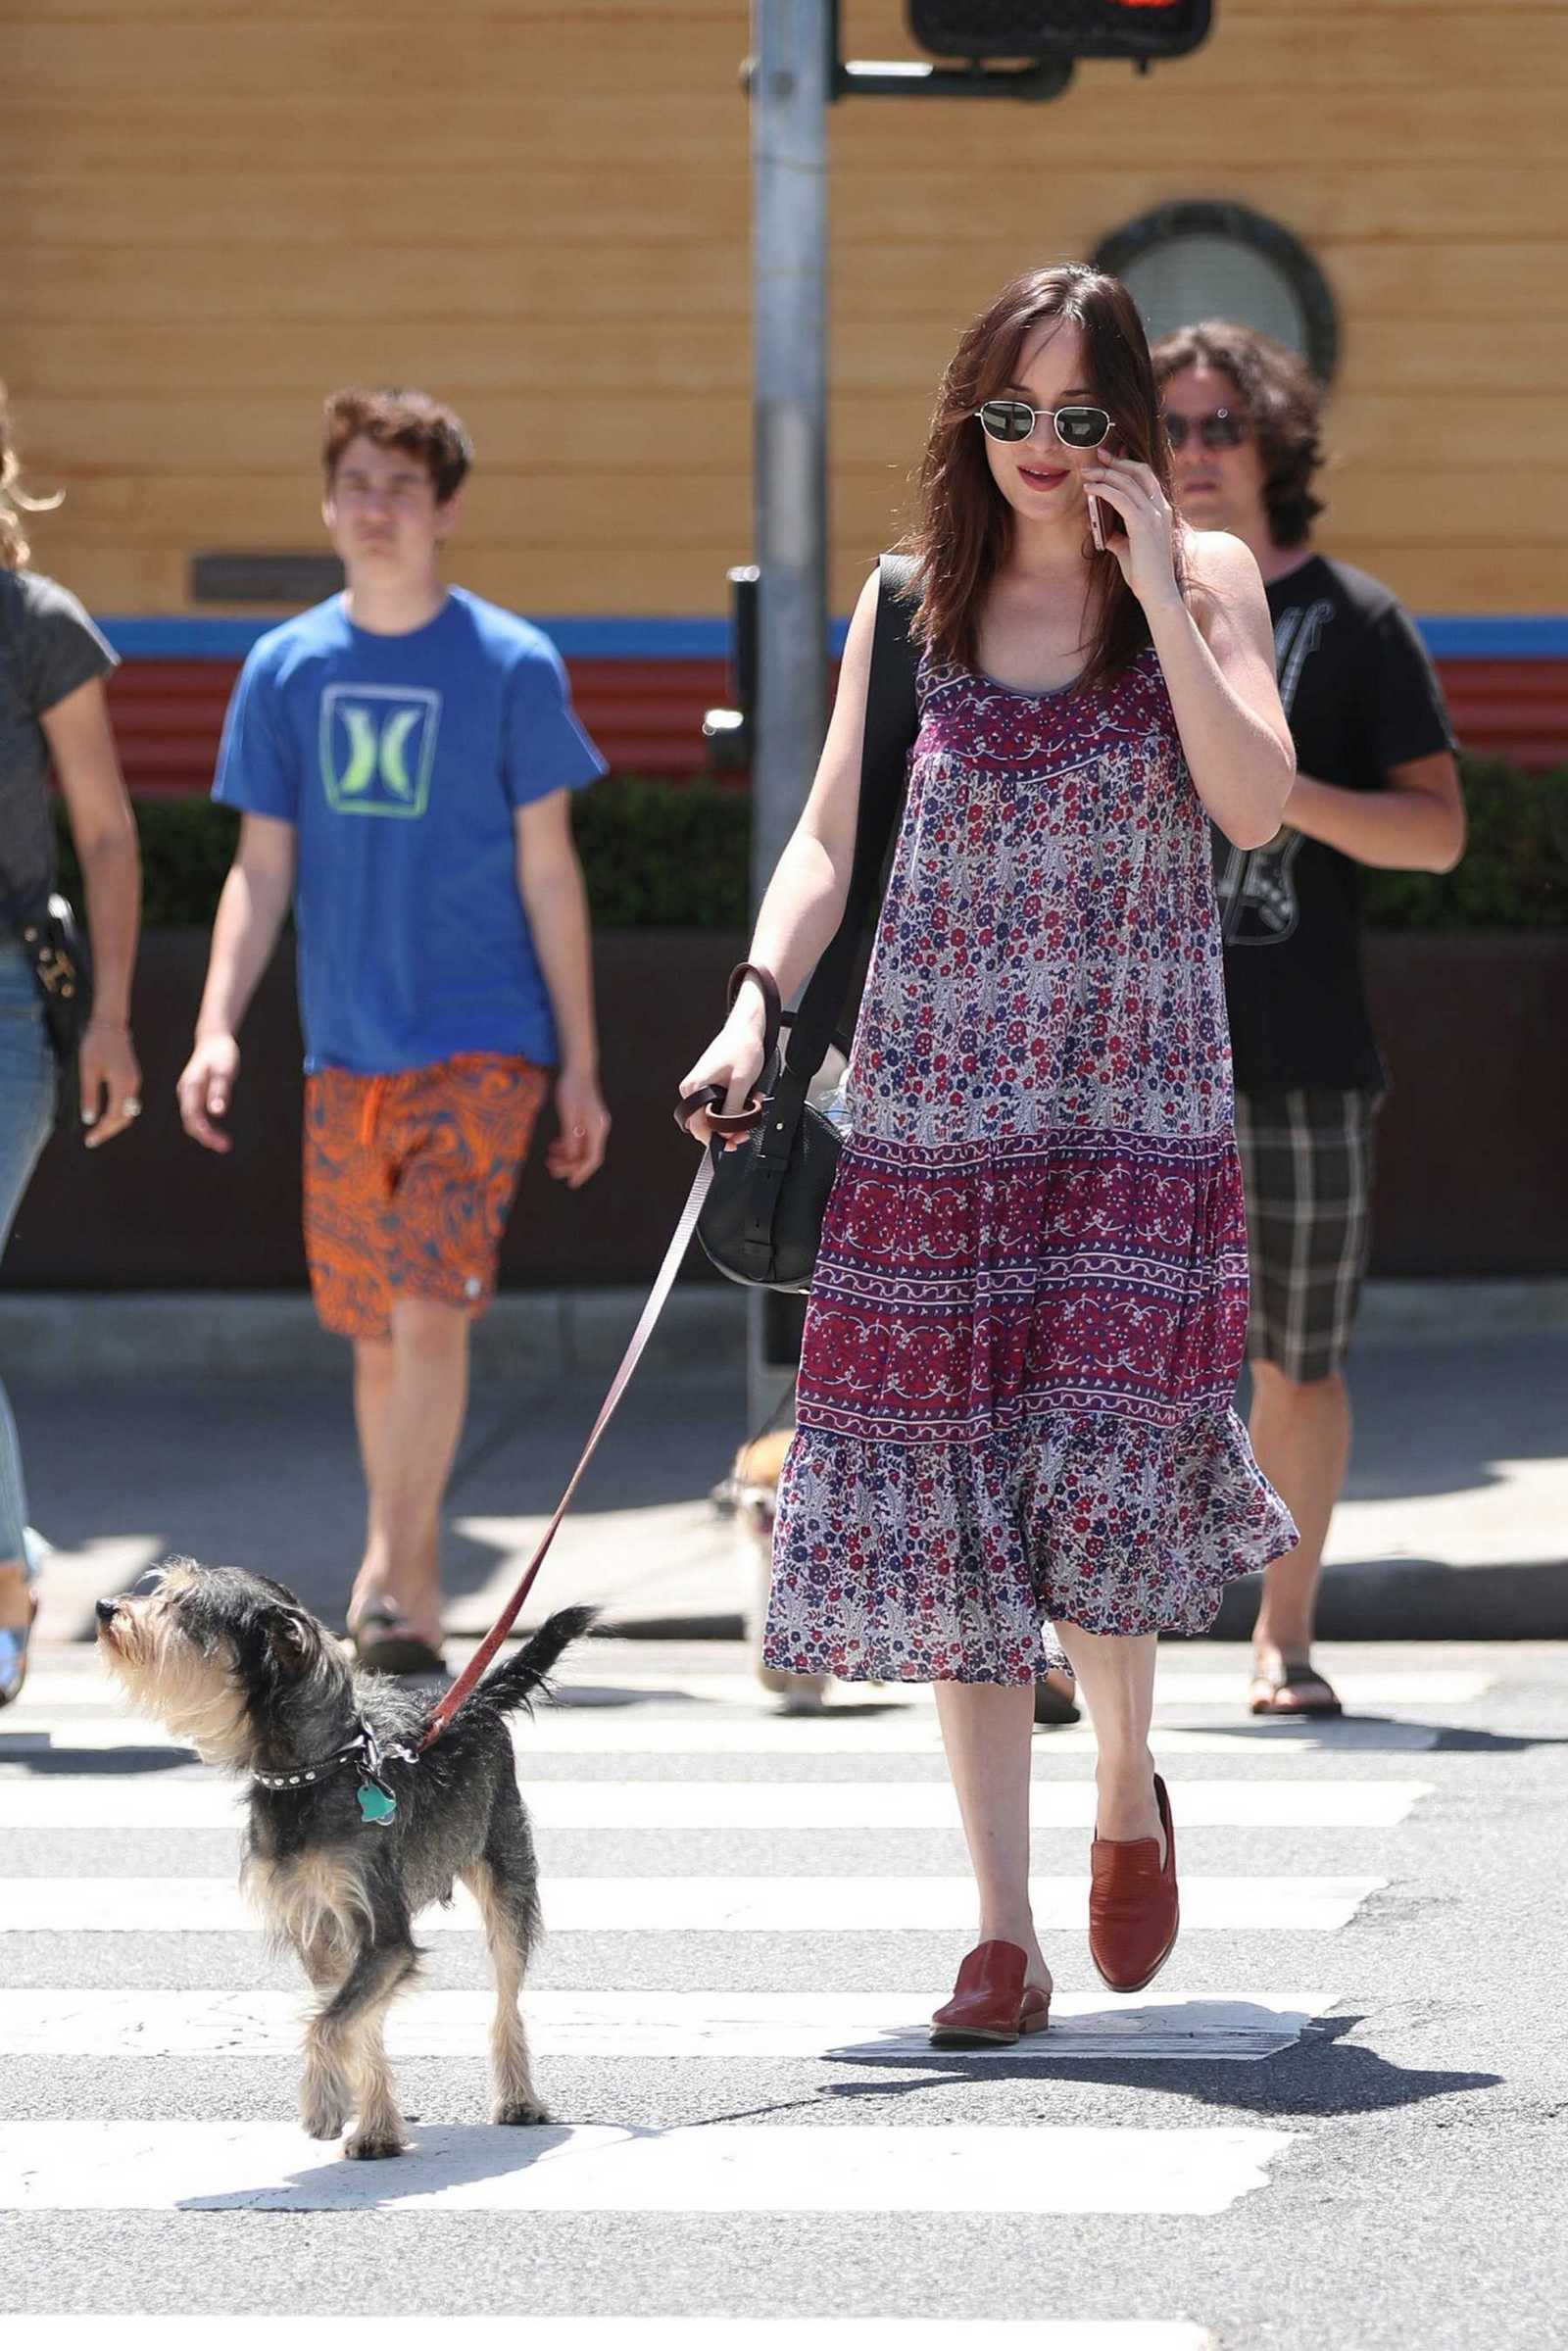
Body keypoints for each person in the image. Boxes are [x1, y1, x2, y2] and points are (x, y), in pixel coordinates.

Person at [679, 266, 1298, 2039]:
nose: (1041, 446)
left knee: (1100, 1474)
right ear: (970, 419)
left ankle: (1123, 1786)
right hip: (938, 1110)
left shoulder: (1207, 577)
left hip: (1130, 1105)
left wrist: (1157, 584)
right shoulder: (912, 603)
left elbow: (1254, 803)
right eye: (1010, 412)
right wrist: (753, 1007)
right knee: (954, 1500)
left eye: (1078, 415)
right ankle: (1003, 1933)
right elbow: (822, 842)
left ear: (1127, 426)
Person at [177, 387, 609, 1677]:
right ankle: (403, 1571)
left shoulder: (512, 664)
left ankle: (394, 1580)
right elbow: (260, 869)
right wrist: (215, 1026)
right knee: (374, 1335)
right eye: (356, 483)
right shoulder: (285, 668)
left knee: (428, 1311)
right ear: (326, 503)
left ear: (446, 509)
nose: (376, 508)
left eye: (403, 487)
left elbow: (550, 870)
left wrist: (582, 1062)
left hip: (482, 1042)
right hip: (343, 1054)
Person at [1151, 321, 1464, 1719]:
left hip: (1302, 1055)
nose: (1195, 450)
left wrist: (1276, 790)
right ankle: (1081, 1640)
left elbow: (1437, 834)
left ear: (1276, 441)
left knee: (1299, 1358)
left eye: (1222, 424)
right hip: (1125, 1054)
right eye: (1169, 425)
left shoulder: (1355, 617)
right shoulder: (1103, 602)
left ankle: (1284, 1634)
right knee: (1096, 1354)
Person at [0, 386, 142, 1705]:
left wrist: (108, 1018)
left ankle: (2, 1579)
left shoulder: (37, 624)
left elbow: (103, 833)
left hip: (7, 998)